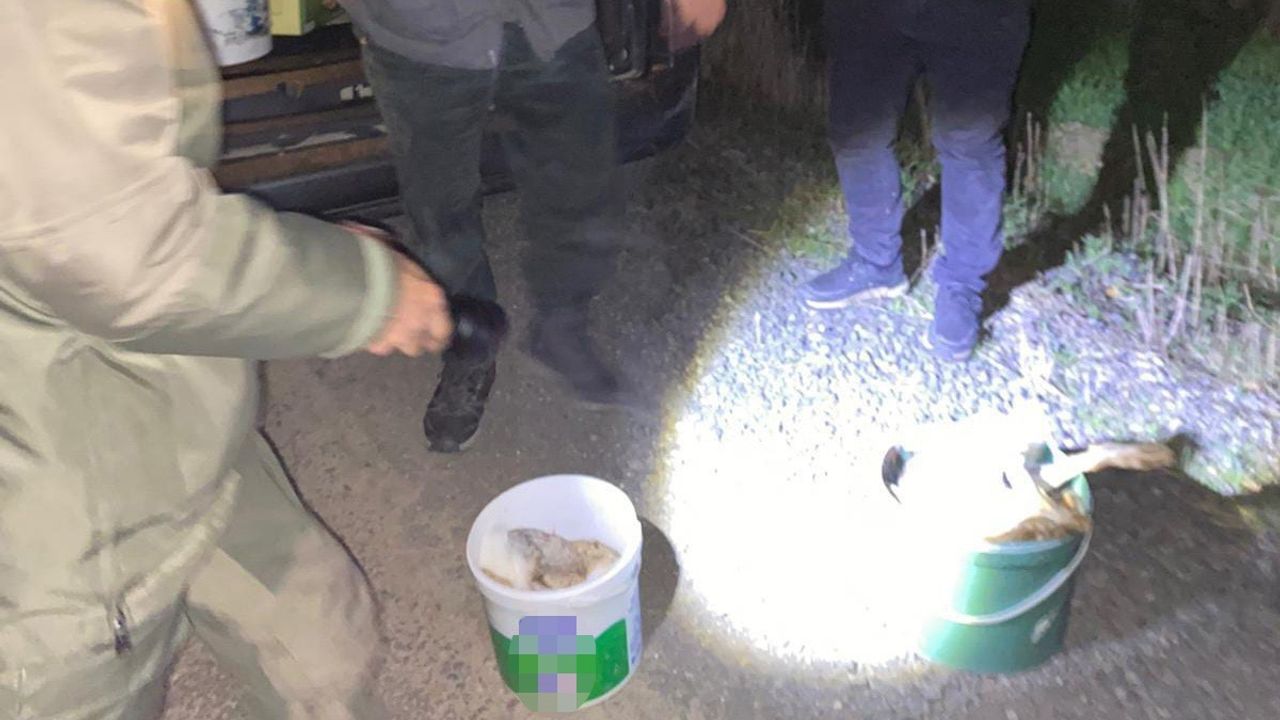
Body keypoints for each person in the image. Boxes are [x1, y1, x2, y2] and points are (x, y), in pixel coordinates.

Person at [0, 1, 453, 718]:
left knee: (323, 645)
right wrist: (364, 290)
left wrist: (297, 258)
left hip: (173, 410)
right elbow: (121, 254)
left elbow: (101, 187)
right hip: (52, 503)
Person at [341, 0, 725, 452]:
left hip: (551, 19)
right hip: (417, 32)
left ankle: (562, 327)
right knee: (440, 212)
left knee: (581, 184)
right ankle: (469, 344)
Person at [800, 0, 1032, 362]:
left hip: (978, 15)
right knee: (857, 131)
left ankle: (962, 287)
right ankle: (875, 261)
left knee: (968, 143)